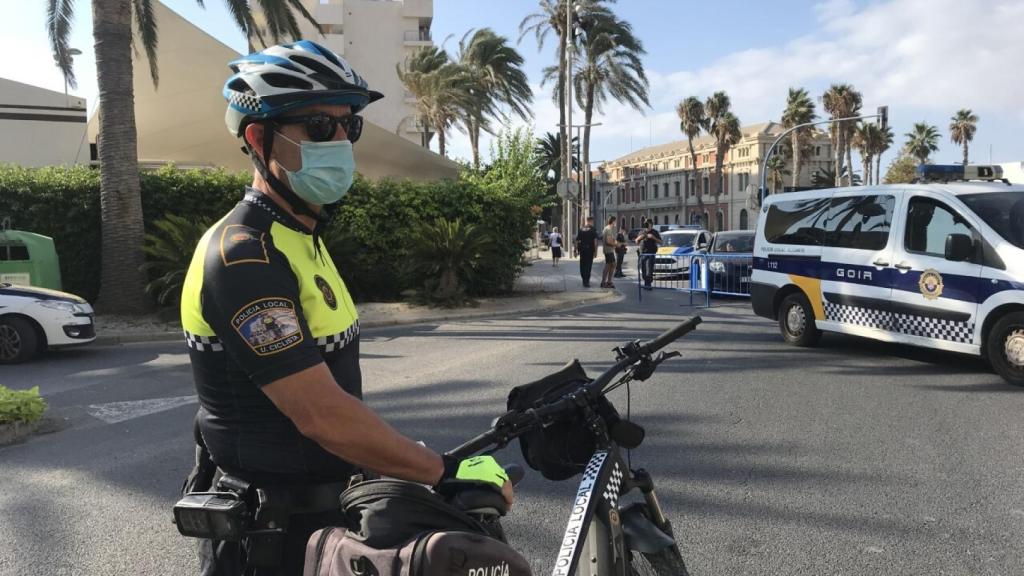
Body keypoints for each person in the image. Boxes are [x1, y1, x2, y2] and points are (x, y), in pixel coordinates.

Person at [179, 41, 511, 576]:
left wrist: (402, 458)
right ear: (259, 138)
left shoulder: (301, 236)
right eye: (317, 126)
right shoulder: (243, 255)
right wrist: (440, 470)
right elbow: (322, 415)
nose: (339, 140)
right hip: (272, 541)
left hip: (326, 516)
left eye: (347, 125)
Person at [636, 219, 662, 290]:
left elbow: (660, 242)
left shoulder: (654, 232)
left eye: (647, 223)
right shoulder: (642, 232)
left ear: (651, 224)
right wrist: (641, 237)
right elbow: (636, 241)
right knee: (643, 270)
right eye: (645, 223)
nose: (646, 225)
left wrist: (653, 237)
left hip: (650, 254)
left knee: (649, 270)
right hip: (642, 254)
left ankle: (648, 284)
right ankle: (646, 283)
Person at [575, 216, 598, 288]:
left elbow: (577, 240)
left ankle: (584, 279)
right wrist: (595, 251)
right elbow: (595, 241)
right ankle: (586, 281)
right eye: (592, 221)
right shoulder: (593, 229)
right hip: (589, 250)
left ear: (586, 221)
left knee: (582, 264)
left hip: (582, 250)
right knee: (588, 265)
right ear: (591, 221)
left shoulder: (581, 229)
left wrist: (575, 250)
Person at [600, 216, 617, 289]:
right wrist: (616, 244)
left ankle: (608, 281)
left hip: (608, 250)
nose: (616, 223)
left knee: (611, 265)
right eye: (615, 221)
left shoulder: (607, 229)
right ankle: (605, 282)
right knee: (610, 265)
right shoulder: (608, 229)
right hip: (608, 250)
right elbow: (608, 241)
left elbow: (611, 239)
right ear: (613, 221)